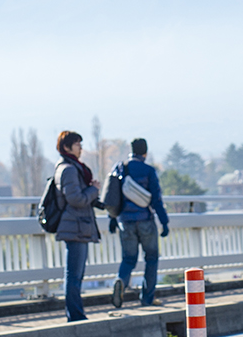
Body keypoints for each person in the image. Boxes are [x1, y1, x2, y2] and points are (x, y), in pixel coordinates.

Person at [110, 138, 169, 308]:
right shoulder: (148, 170)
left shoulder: (121, 167)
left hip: (125, 222)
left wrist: (112, 218)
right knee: (151, 258)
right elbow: (156, 199)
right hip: (145, 220)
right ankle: (147, 298)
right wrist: (164, 222)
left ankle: (120, 281)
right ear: (145, 152)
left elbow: (113, 196)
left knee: (128, 259)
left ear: (132, 150)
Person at [54, 131, 100, 322]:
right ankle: (75, 315)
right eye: (77, 144)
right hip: (76, 226)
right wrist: (94, 190)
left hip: (76, 225)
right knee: (74, 275)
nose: (81, 147)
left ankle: (75, 314)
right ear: (67, 147)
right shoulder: (70, 169)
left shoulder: (67, 167)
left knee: (75, 274)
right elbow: (75, 198)